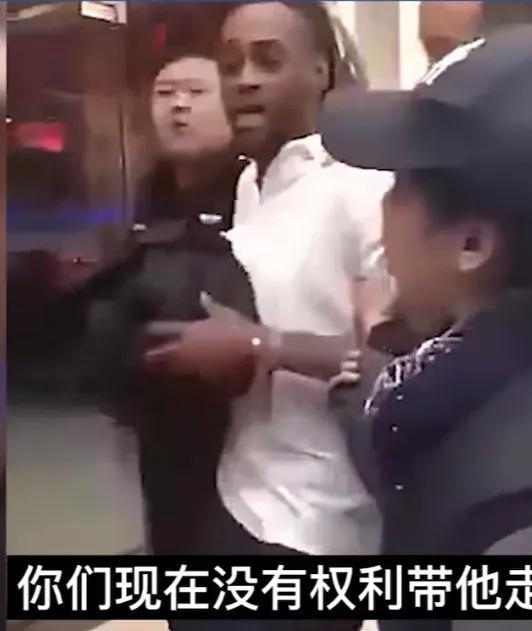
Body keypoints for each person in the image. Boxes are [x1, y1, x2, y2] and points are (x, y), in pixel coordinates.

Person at [146, 3, 391, 627]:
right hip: (236, 495)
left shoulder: (364, 187)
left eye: (268, 60)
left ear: (320, 70)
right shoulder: (251, 183)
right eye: (230, 65)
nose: (244, 80)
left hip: (317, 527)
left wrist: (262, 346)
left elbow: (399, 367)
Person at [322, 24, 532, 631]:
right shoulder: (446, 393)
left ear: (471, 243)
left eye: (401, 185)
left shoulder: (519, 516)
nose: (382, 209)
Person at [81, 41, 257, 557]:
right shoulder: (148, 191)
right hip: (160, 424)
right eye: (165, 93)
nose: (178, 105)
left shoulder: (254, 189)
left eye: (196, 92)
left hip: (242, 427)